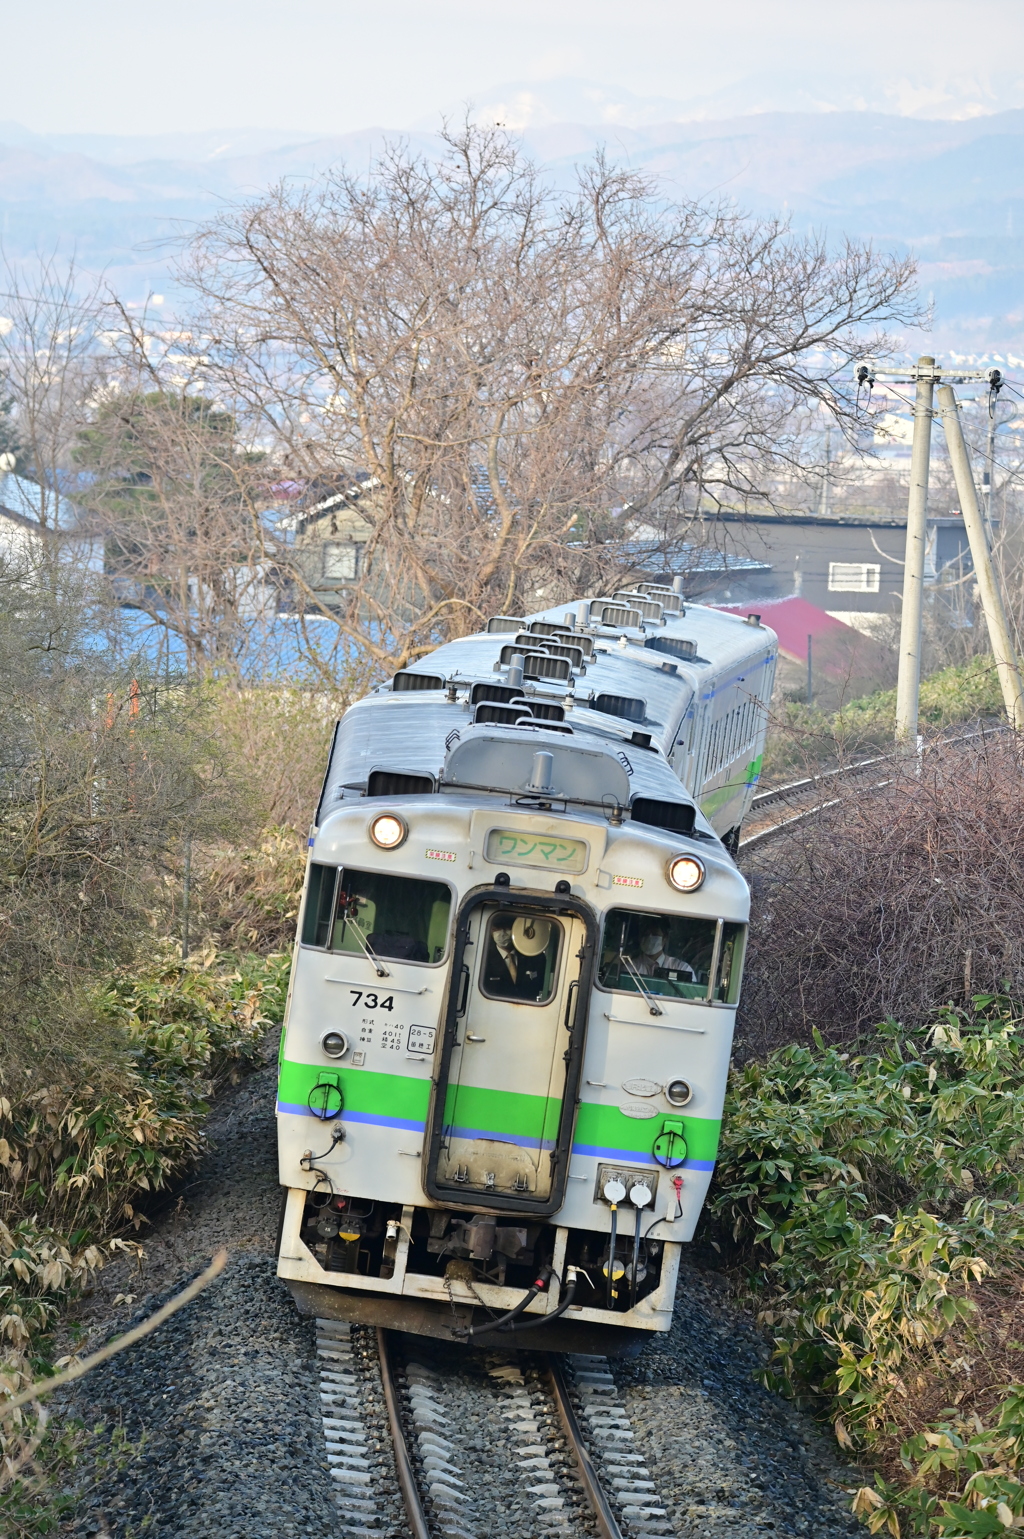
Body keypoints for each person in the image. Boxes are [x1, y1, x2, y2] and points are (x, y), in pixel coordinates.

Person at [482, 916, 548, 1001]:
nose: (502, 933)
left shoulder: (535, 958)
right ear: (490, 931)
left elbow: (542, 987)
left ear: (516, 930)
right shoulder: (484, 959)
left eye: (507, 928)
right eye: (496, 929)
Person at [632, 924, 697, 982]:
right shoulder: (630, 967)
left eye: (655, 934)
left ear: (664, 939)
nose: (650, 937)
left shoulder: (682, 968)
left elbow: (692, 992)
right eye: (646, 934)